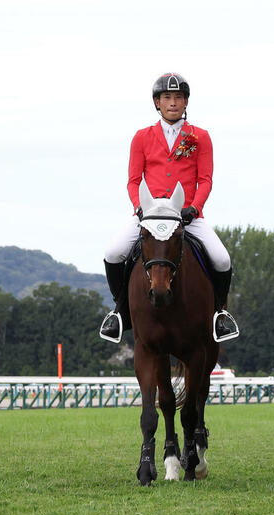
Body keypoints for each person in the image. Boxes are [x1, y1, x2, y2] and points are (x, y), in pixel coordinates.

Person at [100, 73, 239, 343]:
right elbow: (133, 180)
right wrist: (139, 207)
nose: (173, 103)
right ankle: (120, 312)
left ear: (186, 102)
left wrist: (195, 208)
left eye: (178, 97)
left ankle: (220, 314)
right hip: (149, 214)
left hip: (186, 215)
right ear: (157, 103)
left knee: (222, 259)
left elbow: (205, 180)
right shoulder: (141, 137)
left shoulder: (200, 136)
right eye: (167, 98)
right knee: (113, 252)